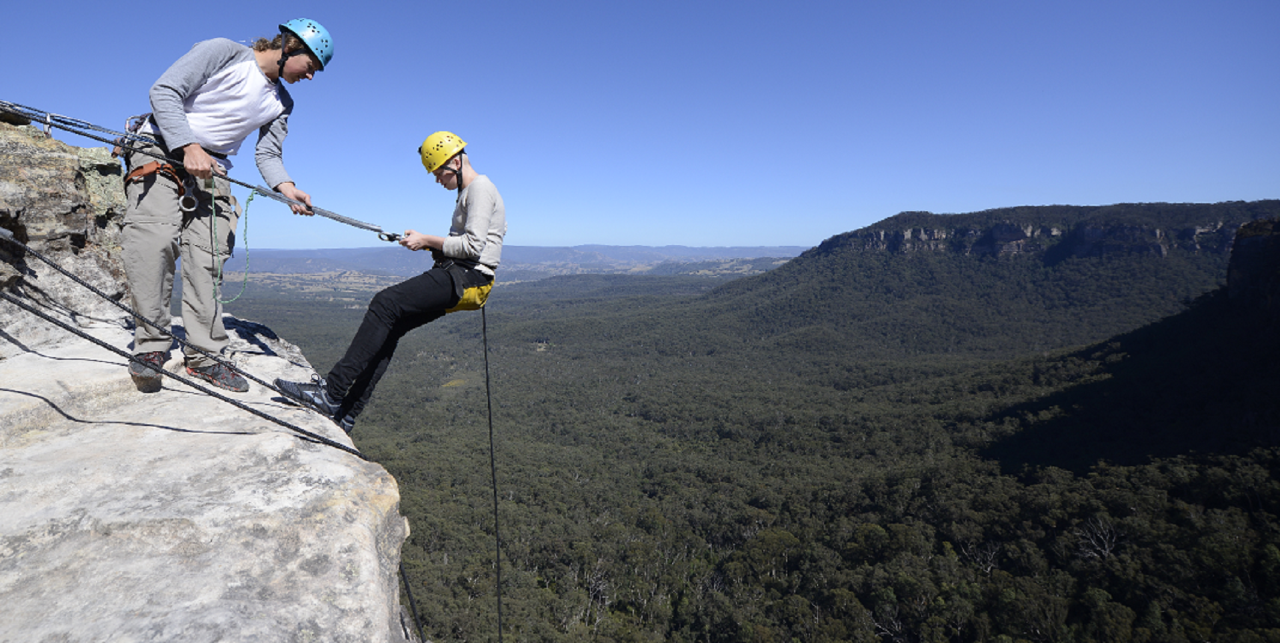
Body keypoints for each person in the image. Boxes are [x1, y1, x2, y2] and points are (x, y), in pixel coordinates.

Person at [121, 19, 333, 392]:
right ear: (291, 47)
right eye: (311, 66)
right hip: (159, 150)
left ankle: (204, 355)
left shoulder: (282, 102)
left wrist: (287, 187)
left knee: (209, 258)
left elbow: (268, 153)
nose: (312, 77)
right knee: (153, 245)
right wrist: (189, 145)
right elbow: (165, 91)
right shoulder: (224, 52)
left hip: (212, 167)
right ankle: (151, 346)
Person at [275, 132, 506, 433]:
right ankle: (346, 414)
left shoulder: (480, 189)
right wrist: (428, 245)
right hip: (463, 276)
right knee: (391, 326)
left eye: (438, 172)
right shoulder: (468, 192)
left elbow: (473, 247)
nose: (437, 179)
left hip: (467, 278)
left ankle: (331, 394)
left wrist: (427, 238)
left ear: (454, 161)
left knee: (385, 303)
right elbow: (465, 245)